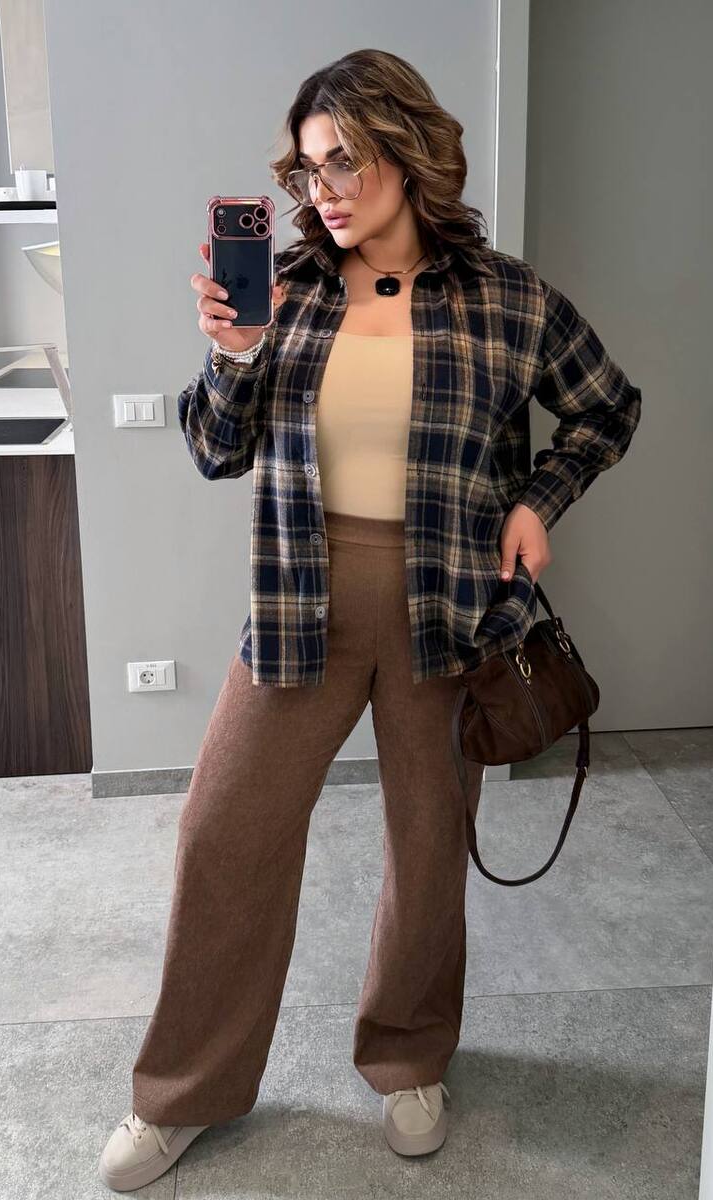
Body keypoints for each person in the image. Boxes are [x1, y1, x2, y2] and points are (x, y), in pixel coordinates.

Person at [98, 47, 642, 1193]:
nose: (326, 189)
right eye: (309, 170)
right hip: (299, 599)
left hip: (447, 608)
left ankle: (407, 1059)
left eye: (344, 159)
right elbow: (214, 451)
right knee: (222, 836)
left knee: (426, 846)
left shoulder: (507, 297)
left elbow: (605, 410)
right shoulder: (286, 291)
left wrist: (537, 502)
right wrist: (230, 354)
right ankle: (184, 1090)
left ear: (407, 148)